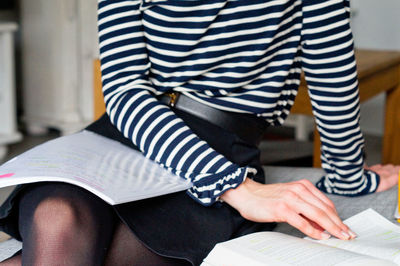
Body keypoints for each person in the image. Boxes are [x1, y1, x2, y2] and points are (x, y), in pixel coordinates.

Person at [0, 0, 399, 265]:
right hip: (130, 129)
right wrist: (237, 189)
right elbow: (124, 92)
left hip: (224, 144)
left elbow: (332, 77)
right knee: (57, 216)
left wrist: (347, 176)